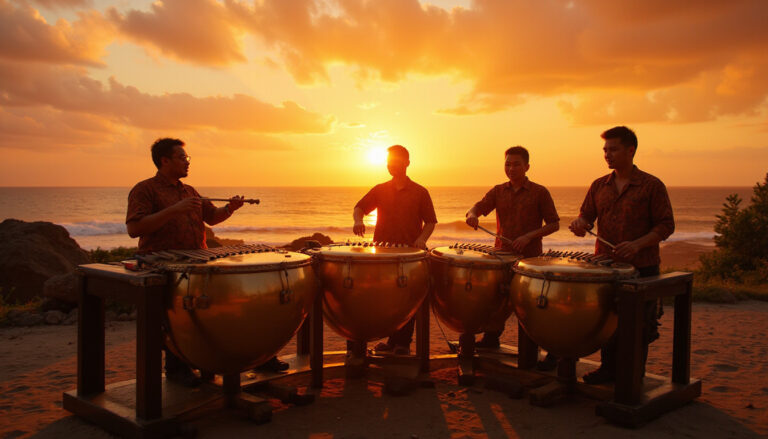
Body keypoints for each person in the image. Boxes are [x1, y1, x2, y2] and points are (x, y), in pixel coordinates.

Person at [125, 138, 283, 387]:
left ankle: (254, 355)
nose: (187, 162)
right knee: (175, 319)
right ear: (165, 161)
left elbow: (212, 218)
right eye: (182, 158)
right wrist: (174, 210)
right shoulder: (145, 189)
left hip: (197, 262)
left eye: (187, 158)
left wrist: (230, 208)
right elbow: (134, 228)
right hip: (163, 265)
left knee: (227, 308)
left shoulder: (190, 191)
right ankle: (177, 368)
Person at [569, 126, 674, 384]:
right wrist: (580, 224)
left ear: (631, 150)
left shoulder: (652, 185)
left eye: (613, 149)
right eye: (605, 150)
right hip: (605, 267)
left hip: (642, 267)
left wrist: (638, 245)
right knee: (607, 322)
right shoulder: (598, 185)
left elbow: (665, 225)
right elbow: (586, 216)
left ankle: (631, 375)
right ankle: (607, 370)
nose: (607, 155)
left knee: (638, 326)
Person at [465, 146, 560, 369]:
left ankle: (544, 351)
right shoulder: (498, 191)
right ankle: (491, 338)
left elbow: (554, 223)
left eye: (516, 164)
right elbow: (479, 206)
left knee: (532, 307)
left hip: (530, 260)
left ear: (527, 166)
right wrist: (472, 214)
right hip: (502, 256)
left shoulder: (539, 192)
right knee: (497, 299)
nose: (511, 168)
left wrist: (529, 236)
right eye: (507, 164)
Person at [352, 144, 438, 355]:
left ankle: (402, 344)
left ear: (407, 163)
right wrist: (357, 221)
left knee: (407, 300)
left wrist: (421, 239)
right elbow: (359, 207)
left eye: (396, 161)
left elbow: (430, 222)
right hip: (382, 254)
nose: (391, 165)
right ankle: (392, 341)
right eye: (388, 161)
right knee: (385, 299)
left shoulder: (420, 192)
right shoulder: (380, 189)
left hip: (409, 256)